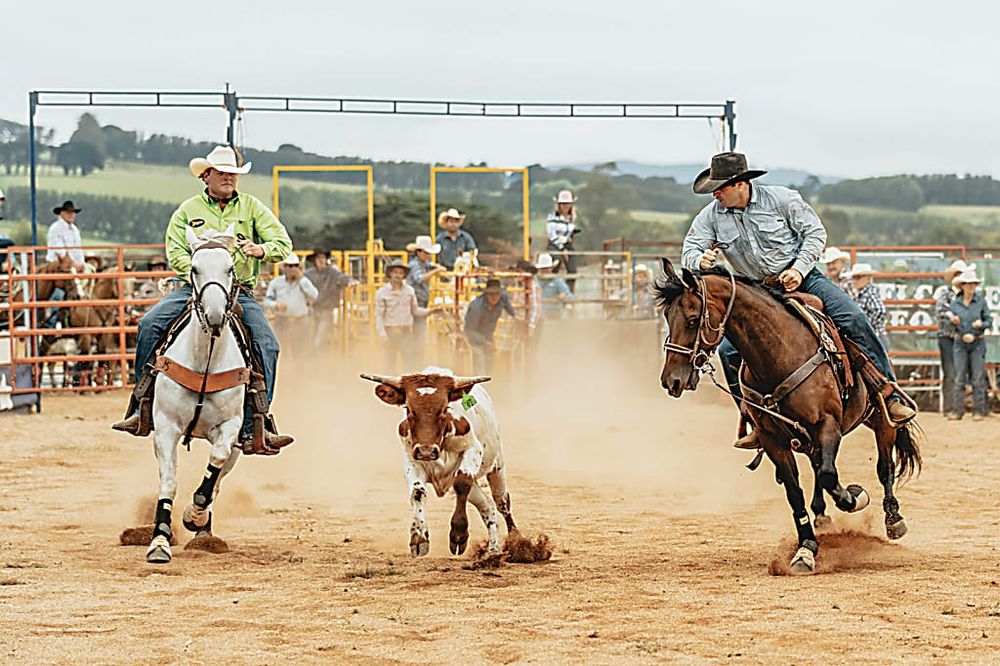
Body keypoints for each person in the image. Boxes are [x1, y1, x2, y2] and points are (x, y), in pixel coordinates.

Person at [681, 152, 915, 449]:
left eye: (721, 186)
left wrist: (798, 268)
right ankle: (756, 419)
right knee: (728, 351)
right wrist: (700, 260)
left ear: (740, 183)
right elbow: (688, 250)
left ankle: (889, 395)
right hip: (755, 292)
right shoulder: (711, 216)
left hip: (803, 278)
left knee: (854, 319)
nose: (715, 193)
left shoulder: (781, 200)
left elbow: (815, 234)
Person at [112, 145, 295, 453]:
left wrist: (260, 249)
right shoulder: (187, 211)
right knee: (149, 324)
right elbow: (176, 253)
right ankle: (140, 405)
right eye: (222, 173)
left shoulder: (251, 207)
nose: (229, 179)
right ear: (206, 175)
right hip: (192, 287)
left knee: (267, 344)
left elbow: (282, 241)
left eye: (233, 174)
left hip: (239, 290)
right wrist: (201, 274)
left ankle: (256, 423)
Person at [945, 268, 992, 421]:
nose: (971, 287)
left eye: (973, 284)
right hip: (960, 342)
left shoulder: (981, 301)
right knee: (959, 378)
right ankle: (958, 411)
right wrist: (953, 322)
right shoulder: (955, 303)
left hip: (977, 342)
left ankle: (978, 411)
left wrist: (982, 324)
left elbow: (989, 321)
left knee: (978, 378)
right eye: (968, 284)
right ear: (962, 286)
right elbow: (948, 323)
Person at [375, 259, 429, 372]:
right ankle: (390, 389)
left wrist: (431, 311)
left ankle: (407, 388)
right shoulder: (382, 292)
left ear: (404, 275)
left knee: (409, 363)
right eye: (395, 272)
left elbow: (415, 311)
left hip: (406, 332)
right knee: (389, 365)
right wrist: (382, 335)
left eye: (400, 273)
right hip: (390, 331)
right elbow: (379, 316)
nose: (398, 275)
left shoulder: (409, 291)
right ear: (390, 274)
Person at [265, 254, 318, 355]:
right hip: (282, 321)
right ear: (284, 267)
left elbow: (314, 296)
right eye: (290, 266)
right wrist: (276, 305)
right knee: (281, 350)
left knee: (300, 350)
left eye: (296, 266)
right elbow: (267, 301)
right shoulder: (276, 283)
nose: (293, 268)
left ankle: (297, 369)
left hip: (300, 321)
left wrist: (302, 280)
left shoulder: (304, 281)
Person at [934, 259, 969, 413]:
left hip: (961, 337)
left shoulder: (966, 295)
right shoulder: (945, 292)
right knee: (950, 372)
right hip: (947, 337)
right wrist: (952, 316)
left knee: (960, 371)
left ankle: (957, 406)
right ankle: (950, 407)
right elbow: (940, 309)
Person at [464, 278, 518, 374]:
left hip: (488, 335)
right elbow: (469, 331)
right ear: (486, 294)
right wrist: (485, 341)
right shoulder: (476, 307)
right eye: (491, 294)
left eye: (497, 293)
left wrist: (514, 316)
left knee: (490, 361)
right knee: (480, 362)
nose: (495, 297)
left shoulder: (503, 298)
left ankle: (489, 384)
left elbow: (508, 306)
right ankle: (480, 385)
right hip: (475, 338)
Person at [406, 235, 446, 363]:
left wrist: (435, 267)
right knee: (417, 334)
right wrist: (436, 270)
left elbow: (430, 266)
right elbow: (420, 279)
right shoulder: (414, 265)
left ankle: (416, 361)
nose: (428, 255)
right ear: (418, 252)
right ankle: (415, 361)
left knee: (419, 333)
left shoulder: (422, 264)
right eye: (426, 252)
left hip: (420, 300)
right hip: (415, 302)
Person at [304, 249, 353, 348]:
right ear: (314, 260)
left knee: (318, 341)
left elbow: (343, 278)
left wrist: (350, 281)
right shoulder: (308, 274)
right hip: (311, 310)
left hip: (326, 310)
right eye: (318, 258)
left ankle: (318, 358)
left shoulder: (332, 273)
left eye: (323, 258)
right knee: (310, 339)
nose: (321, 260)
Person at [547, 190, 582, 291]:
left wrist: (573, 233)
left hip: (567, 243)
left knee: (572, 269)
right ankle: (551, 287)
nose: (566, 206)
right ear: (559, 205)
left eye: (568, 203)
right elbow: (551, 234)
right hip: (555, 243)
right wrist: (561, 249)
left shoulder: (572, 218)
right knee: (557, 262)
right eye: (563, 204)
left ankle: (569, 294)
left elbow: (569, 232)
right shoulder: (553, 217)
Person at [849, 263, 888, 351]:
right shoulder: (863, 293)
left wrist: (866, 326)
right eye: (854, 277)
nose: (854, 280)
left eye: (858, 277)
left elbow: (879, 310)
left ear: (868, 278)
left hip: (874, 339)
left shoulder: (870, 293)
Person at [535, 252, 573, 319]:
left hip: (554, 315)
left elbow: (569, 295)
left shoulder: (557, 281)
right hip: (538, 316)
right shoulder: (535, 281)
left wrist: (564, 296)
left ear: (551, 268)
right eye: (543, 268)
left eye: (546, 268)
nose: (545, 270)